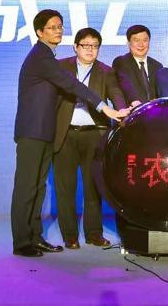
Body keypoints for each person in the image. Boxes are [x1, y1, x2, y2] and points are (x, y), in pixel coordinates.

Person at [11, 10, 126, 258]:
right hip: (32, 131)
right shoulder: (41, 56)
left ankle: (35, 237)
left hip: (45, 133)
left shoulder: (48, 56)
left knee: (38, 188)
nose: (58, 31)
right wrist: (104, 107)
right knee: (26, 188)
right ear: (39, 32)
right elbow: (72, 84)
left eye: (60, 26)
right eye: (52, 27)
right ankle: (22, 242)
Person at [53, 28, 127, 250]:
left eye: (95, 46)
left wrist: (122, 109)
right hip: (65, 133)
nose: (90, 50)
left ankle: (94, 233)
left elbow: (116, 93)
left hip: (94, 134)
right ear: (75, 47)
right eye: (85, 45)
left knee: (93, 187)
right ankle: (70, 236)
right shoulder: (60, 67)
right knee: (65, 187)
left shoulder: (106, 71)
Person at [111, 25, 163, 106]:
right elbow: (125, 84)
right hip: (132, 111)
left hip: (154, 111)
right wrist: (134, 101)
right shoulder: (121, 62)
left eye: (145, 40)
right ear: (128, 43)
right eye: (136, 40)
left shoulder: (157, 66)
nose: (141, 44)